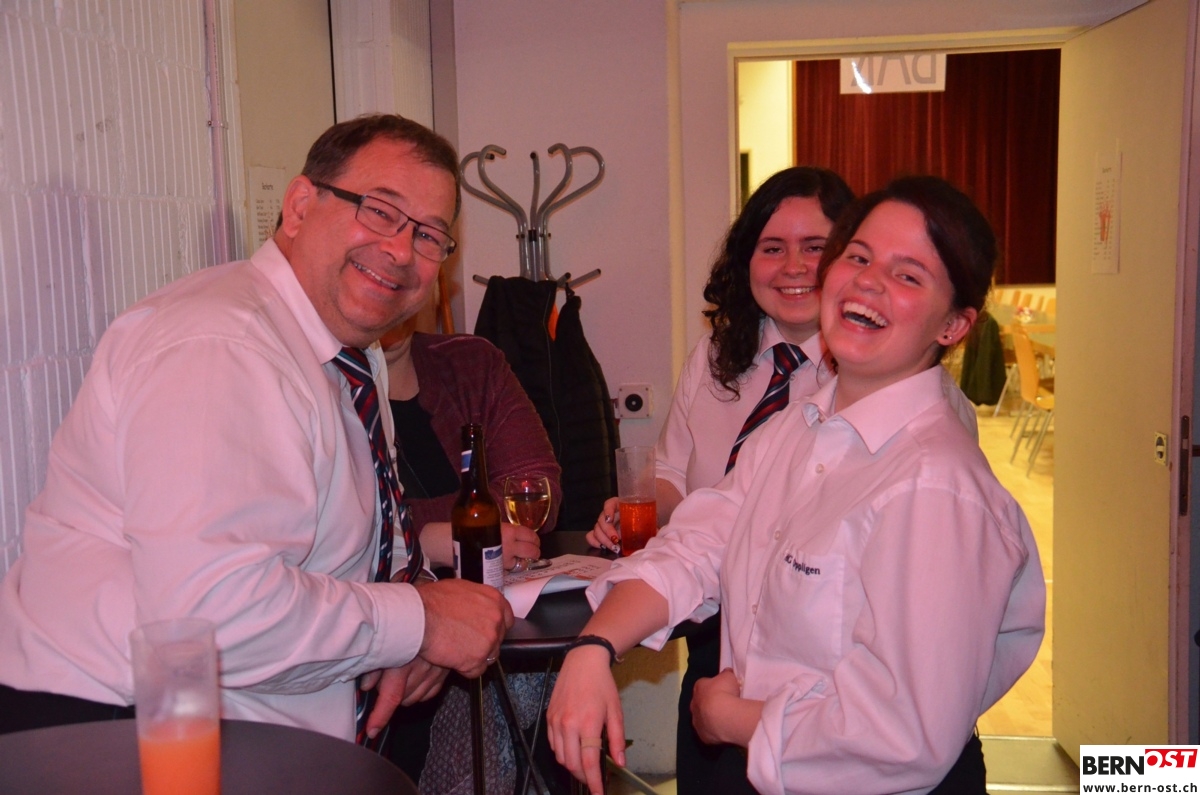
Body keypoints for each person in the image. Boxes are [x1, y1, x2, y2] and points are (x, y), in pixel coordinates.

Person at [0, 114, 513, 743]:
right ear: (299, 207)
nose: (402, 251)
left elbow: (366, 537)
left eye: (429, 235)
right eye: (380, 211)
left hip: (229, 725)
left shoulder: (347, 352)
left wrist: (414, 627)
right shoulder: (223, 348)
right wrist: (419, 621)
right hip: (113, 731)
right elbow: (210, 616)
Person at [551, 176, 1046, 795]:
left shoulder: (938, 487)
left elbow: (902, 737)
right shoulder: (798, 428)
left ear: (953, 326)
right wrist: (594, 647)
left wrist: (732, 719)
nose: (868, 282)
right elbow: (700, 542)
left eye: (908, 275)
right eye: (859, 257)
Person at [586, 166, 854, 794]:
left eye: (815, 247)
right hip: (716, 646)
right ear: (745, 260)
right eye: (772, 247)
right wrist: (635, 506)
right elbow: (677, 480)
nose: (794, 266)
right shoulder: (714, 357)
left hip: (822, 665)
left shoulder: (867, 379)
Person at [379, 318, 562, 793]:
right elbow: (341, 523)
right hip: (384, 659)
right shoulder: (326, 380)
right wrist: (428, 539)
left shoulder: (471, 362)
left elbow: (536, 486)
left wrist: (425, 529)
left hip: (497, 641)